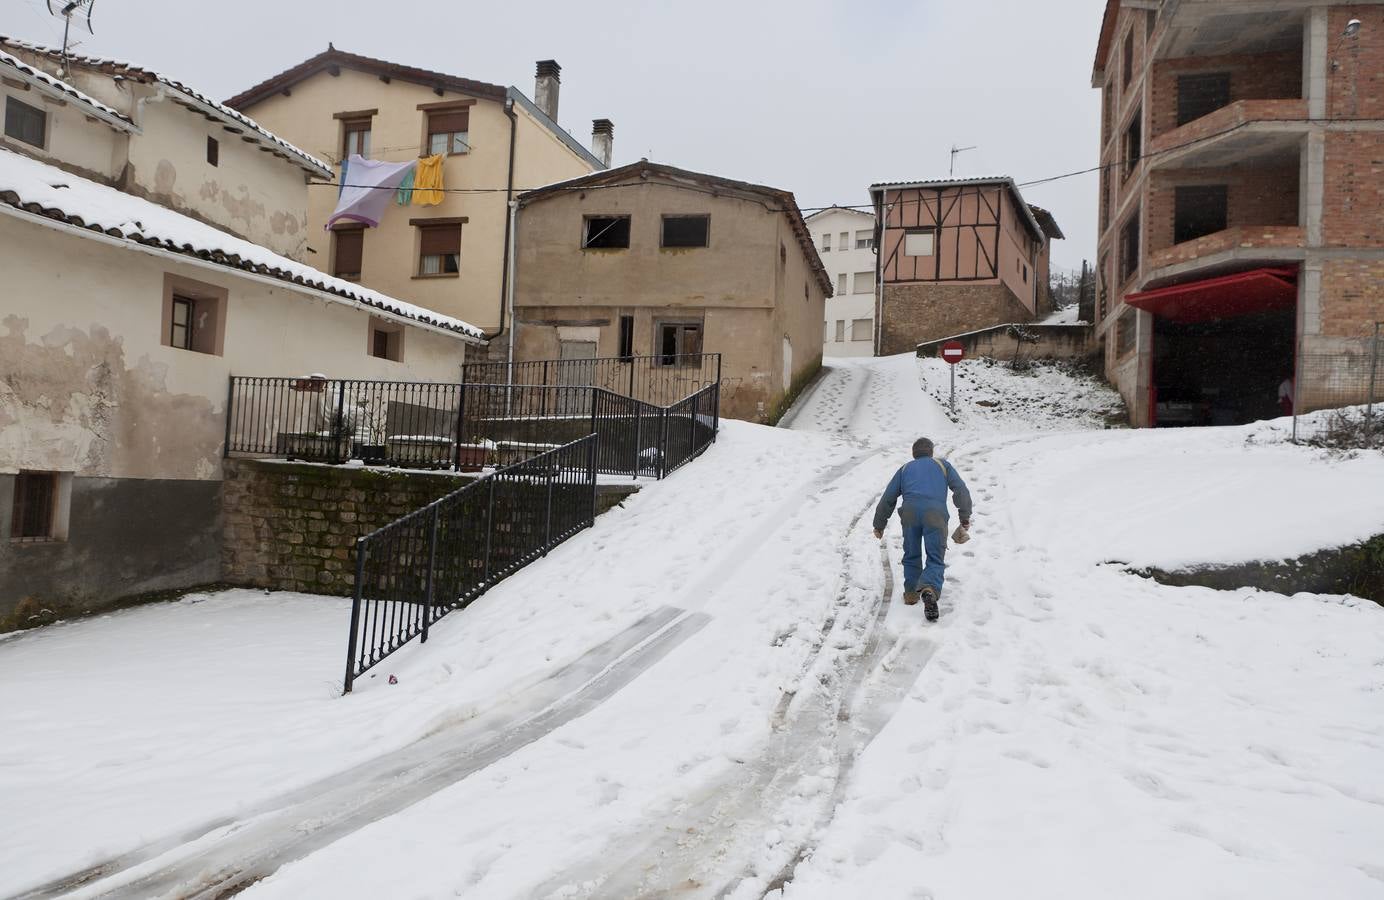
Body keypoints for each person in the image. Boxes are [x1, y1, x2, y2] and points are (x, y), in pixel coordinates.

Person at [872, 437, 972, 621]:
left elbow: (888, 498)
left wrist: (879, 524)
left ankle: (911, 593)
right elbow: (961, 490)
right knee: (935, 555)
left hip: (910, 512)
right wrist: (964, 516)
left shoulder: (905, 469)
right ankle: (929, 588)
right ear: (931, 452)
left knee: (911, 553)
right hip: (935, 513)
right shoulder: (943, 466)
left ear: (914, 453)